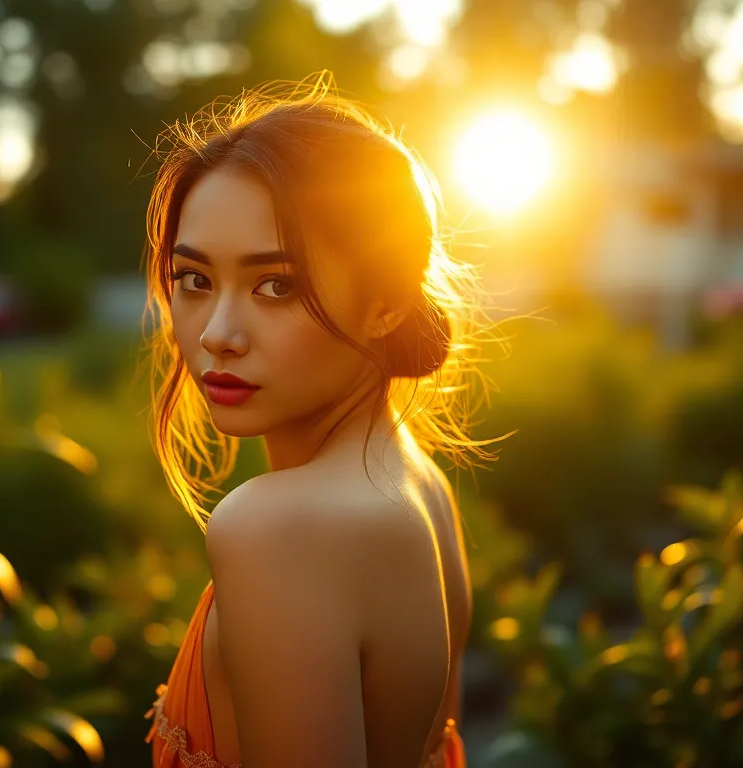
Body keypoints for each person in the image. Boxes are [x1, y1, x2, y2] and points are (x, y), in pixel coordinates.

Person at [140, 72, 506, 768]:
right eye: (194, 279)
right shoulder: (417, 484)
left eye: (276, 284)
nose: (218, 332)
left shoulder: (278, 529)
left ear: (388, 303)